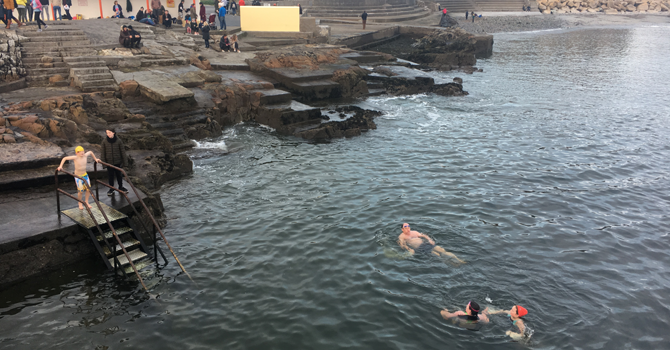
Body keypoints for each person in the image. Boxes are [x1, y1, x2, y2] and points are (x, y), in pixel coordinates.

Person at [57, 146, 101, 210]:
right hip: (78, 176)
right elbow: (65, 158)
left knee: (88, 189)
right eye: (79, 152)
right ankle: (80, 203)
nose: (82, 153)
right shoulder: (75, 157)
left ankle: (86, 201)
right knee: (81, 191)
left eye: (82, 151)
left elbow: (91, 152)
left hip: (85, 175)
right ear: (76, 153)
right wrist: (60, 166)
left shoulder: (85, 155)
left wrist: (95, 159)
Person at [398, 223, 465, 263]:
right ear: (402, 229)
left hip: (426, 244)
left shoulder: (414, 232)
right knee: (437, 255)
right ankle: (450, 263)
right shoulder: (401, 236)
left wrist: (430, 240)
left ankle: (459, 260)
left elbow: (424, 235)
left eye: (408, 227)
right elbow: (402, 245)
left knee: (441, 250)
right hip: (419, 248)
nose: (408, 229)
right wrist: (409, 249)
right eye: (405, 227)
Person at [100, 129, 129, 195]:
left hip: (117, 162)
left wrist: (125, 163)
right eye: (107, 133)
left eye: (109, 132)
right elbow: (103, 153)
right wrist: (104, 164)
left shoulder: (119, 141)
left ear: (113, 133)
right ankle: (111, 188)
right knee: (110, 176)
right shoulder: (104, 141)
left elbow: (123, 152)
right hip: (109, 163)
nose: (108, 134)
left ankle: (121, 187)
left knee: (119, 175)